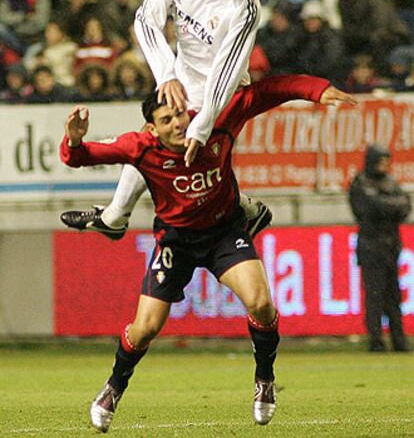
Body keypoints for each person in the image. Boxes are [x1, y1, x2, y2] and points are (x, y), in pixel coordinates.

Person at [60, 73, 356, 432]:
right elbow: (81, 156)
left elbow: (264, 92)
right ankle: (113, 388)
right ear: (152, 129)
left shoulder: (215, 124)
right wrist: (73, 139)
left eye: (180, 114)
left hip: (223, 233)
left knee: (261, 303)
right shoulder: (140, 147)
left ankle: (264, 379)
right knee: (144, 329)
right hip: (176, 242)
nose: (178, 123)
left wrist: (316, 90)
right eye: (166, 120)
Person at [63, 0, 271, 243]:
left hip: (225, 90)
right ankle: (117, 216)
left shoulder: (245, 7)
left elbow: (226, 70)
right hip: (184, 75)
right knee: (156, 140)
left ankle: (242, 210)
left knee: (175, 153)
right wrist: (167, 74)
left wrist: (203, 121)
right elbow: (146, 20)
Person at [349, 145, 411, 352]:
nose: (385, 165)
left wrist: (383, 204)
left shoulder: (390, 182)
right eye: (381, 160)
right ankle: (376, 340)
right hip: (371, 247)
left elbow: (405, 206)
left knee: (394, 296)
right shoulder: (361, 183)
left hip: (391, 246)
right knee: (374, 295)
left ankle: (399, 340)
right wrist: (389, 205)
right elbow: (368, 207)